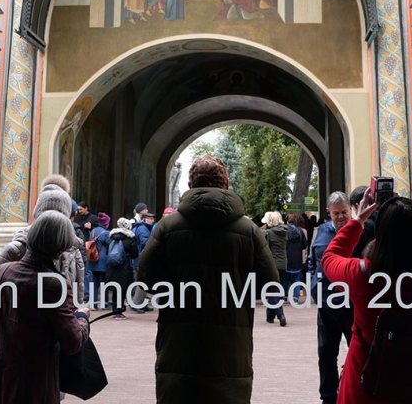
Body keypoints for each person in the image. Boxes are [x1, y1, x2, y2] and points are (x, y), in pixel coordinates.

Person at [137, 156, 278, 403]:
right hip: (230, 342)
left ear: (191, 184)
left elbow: (146, 276)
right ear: (226, 184)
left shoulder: (167, 227)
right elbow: (270, 282)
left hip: (179, 339)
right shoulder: (249, 230)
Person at [322, 196, 412, 404]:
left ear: (380, 234)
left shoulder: (361, 274)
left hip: (367, 382)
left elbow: (330, 257)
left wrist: (358, 221)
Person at [0, 211, 91, 404]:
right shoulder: (55, 285)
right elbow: (72, 342)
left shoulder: (3, 271)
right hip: (33, 383)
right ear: (61, 246)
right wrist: (82, 317)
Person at [0, 180, 82, 370]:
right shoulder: (15, 251)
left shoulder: (71, 251)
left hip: (50, 350)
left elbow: (76, 291)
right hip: (16, 350)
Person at [309, 191, 353, 404]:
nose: (341, 217)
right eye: (336, 213)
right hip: (327, 304)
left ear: (350, 209)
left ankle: (355, 392)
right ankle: (328, 397)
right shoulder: (322, 232)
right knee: (326, 353)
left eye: (344, 212)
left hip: (352, 304)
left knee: (357, 351)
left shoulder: (360, 231)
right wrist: (314, 286)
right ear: (329, 213)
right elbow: (312, 261)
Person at [106, 217, 139, 319]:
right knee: (123, 289)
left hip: (112, 267)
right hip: (124, 267)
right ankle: (119, 311)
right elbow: (135, 254)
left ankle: (114, 310)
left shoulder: (111, 237)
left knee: (115, 289)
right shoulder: (130, 239)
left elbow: (108, 251)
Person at [263, 211, 289, 326]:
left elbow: (266, 249)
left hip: (272, 264)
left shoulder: (269, 233)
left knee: (272, 290)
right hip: (283, 263)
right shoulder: (284, 231)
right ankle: (270, 316)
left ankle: (280, 314)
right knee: (276, 289)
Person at [87, 212, 111, 307]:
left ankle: (93, 303)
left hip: (93, 259)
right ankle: (104, 303)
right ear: (106, 223)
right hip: (103, 261)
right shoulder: (106, 233)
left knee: (94, 281)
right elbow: (109, 245)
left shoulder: (93, 231)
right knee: (104, 282)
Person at [284, 213, 307, 300]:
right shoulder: (300, 231)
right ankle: (296, 297)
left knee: (285, 278)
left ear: (287, 221)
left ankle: (285, 295)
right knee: (297, 279)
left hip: (286, 257)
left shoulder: (284, 230)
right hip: (297, 258)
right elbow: (304, 245)